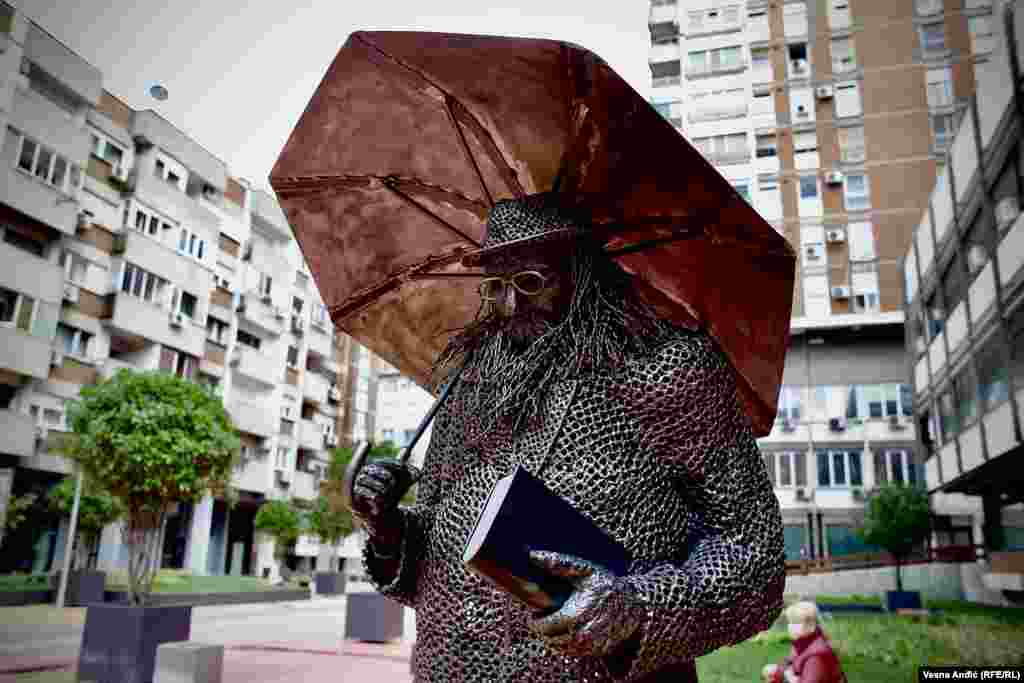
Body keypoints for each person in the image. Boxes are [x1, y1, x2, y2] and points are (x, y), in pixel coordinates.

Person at [351, 194, 786, 682]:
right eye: (495, 287)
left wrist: (638, 610)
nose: (509, 304)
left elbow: (754, 554)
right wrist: (390, 533)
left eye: (530, 281)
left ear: (581, 275)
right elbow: (435, 567)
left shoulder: (665, 371)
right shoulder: (466, 392)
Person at [762, 602, 847, 683]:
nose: (790, 627)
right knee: (770, 670)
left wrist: (789, 677)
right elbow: (788, 662)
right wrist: (778, 672)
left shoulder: (816, 656)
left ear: (811, 625)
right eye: (790, 622)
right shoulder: (802, 642)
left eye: (796, 623)